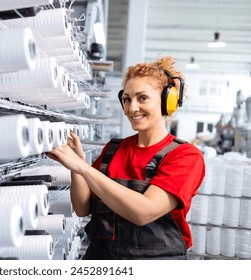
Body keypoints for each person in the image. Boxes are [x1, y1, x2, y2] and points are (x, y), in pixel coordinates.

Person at [46, 56, 205, 259]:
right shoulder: (113, 150)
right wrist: (77, 167)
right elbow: (82, 208)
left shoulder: (185, 156)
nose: (132, 108)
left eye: (142, 98)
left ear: (167, 101)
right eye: (127, 99)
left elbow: (144, 212)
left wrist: (83, 168)